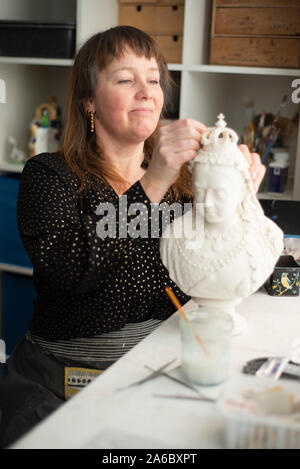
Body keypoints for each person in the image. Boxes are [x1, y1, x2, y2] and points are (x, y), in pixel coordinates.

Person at [0, 26, 265, 448]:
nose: (146, 91)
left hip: (159, 372)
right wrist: (154, 180)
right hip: (61, 386)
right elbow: (77, 267)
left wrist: (239, 192)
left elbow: (218, 261)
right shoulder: (49, 176)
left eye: (154, 79)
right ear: (88, 100)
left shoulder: (185, 183)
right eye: (126, 79)